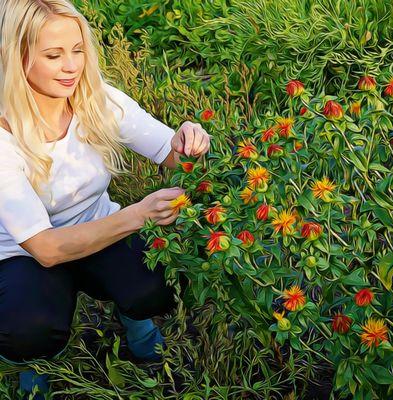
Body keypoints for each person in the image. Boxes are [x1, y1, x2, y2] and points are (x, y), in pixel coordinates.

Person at [0, 0, 211, 398]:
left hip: (98, 228)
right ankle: (35, 360)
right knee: (26, 328)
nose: (72, 66)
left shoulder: (95, 98)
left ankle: (135, 317)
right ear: (16, 57)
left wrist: (189, 139)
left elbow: (171, 152)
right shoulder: (3, 135)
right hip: (23, 255)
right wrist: (138, 215)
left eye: (78, 50)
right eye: (53, 55)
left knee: (157, 278)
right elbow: (44, 248)